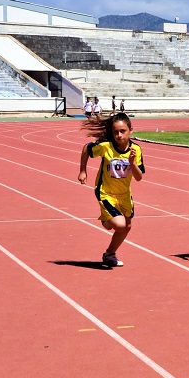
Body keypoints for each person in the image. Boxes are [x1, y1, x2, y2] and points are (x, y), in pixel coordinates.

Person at [77, 113, 144, 267]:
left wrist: (132, 163)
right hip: (105, 192)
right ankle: (107, 218)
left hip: (124, 194)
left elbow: (139, 177)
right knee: (120, 225)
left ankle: (109, 254)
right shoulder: (106, 146)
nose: (119, 135)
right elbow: (86, 148)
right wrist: (83, 170)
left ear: (131, 130)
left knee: (127, 227)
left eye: (122, 131)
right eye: (115, 132)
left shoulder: (136, 150)